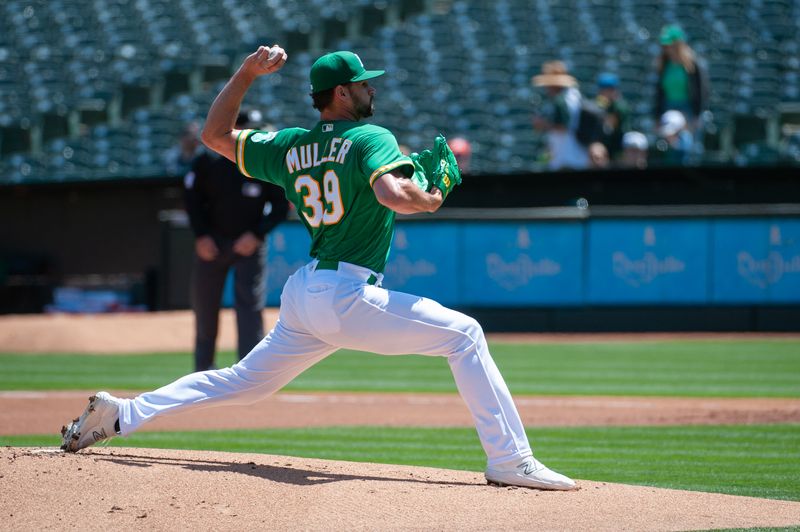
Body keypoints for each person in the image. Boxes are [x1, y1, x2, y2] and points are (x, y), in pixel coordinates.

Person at [59, 45, 576, 492]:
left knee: (246, 381)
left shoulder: (291, 145)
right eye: (362, 84)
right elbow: (394, 194)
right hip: (346, 293)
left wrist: (245, 74)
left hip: (306, 294)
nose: (371, 90)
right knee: (465, 335)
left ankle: (123, 414)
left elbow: (215, 134)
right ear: (343, 94)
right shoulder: (371, 137)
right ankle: (510, 460)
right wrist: (433, 195)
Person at [184, 109, 289, 371]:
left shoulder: (263, 163)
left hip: (249, 244)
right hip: (212, 243)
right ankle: (202, 370)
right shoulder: (207, 162)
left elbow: (280, 206)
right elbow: (192, 201)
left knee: (250, 308)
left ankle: (250, 371)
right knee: (205, 309)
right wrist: (201, 236)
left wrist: (257, 234)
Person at [654, 25, 709, 145]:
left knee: (688, 143)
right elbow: (659, 92)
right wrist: (657, 116)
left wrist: (696, 114)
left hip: (687, 108)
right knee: (669, 144)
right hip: (668, 107)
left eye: (670, 45)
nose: (667, 48)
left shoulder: (692, 65)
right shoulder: (664, 64)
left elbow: (701, 90)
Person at [532, 61, 590, 170]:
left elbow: (563, 127)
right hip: (578, 156)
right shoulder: (574, 95)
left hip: (566, 159)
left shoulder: (561, 100)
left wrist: (543, 124)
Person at [594, 72, 631, 161]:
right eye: (602, 89)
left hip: (618, 145)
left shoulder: (620, 106)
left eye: (608, 89)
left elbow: (612, 126)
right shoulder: (600, 104)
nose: (603, 92)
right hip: (605, 145)